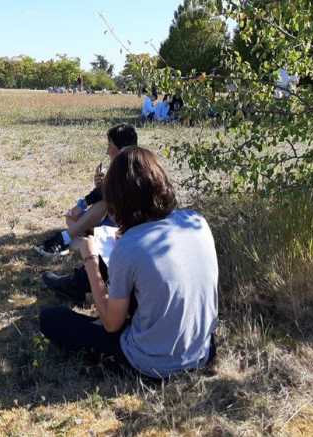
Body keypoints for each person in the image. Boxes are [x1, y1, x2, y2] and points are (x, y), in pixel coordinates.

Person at [40, 147, 218, 380]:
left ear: (118, 200)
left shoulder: (130, 246)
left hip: (151, 363)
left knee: (50, 319)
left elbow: (111, 324)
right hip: (202, 351)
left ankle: (79, 296)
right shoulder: (197, 221)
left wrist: (90, 259)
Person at [35, 124, 138, 257]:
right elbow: (108, 192)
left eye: (110, 145)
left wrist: (83, 203)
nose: (107, 151)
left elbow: (108, 195)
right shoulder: (129, 162)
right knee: (71, 216)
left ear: (121, 147)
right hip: (114, 222)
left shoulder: (131, 166)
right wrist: (100, 185)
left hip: (127, 228)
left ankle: (67, 239)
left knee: (102, 204)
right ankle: (83, 241)